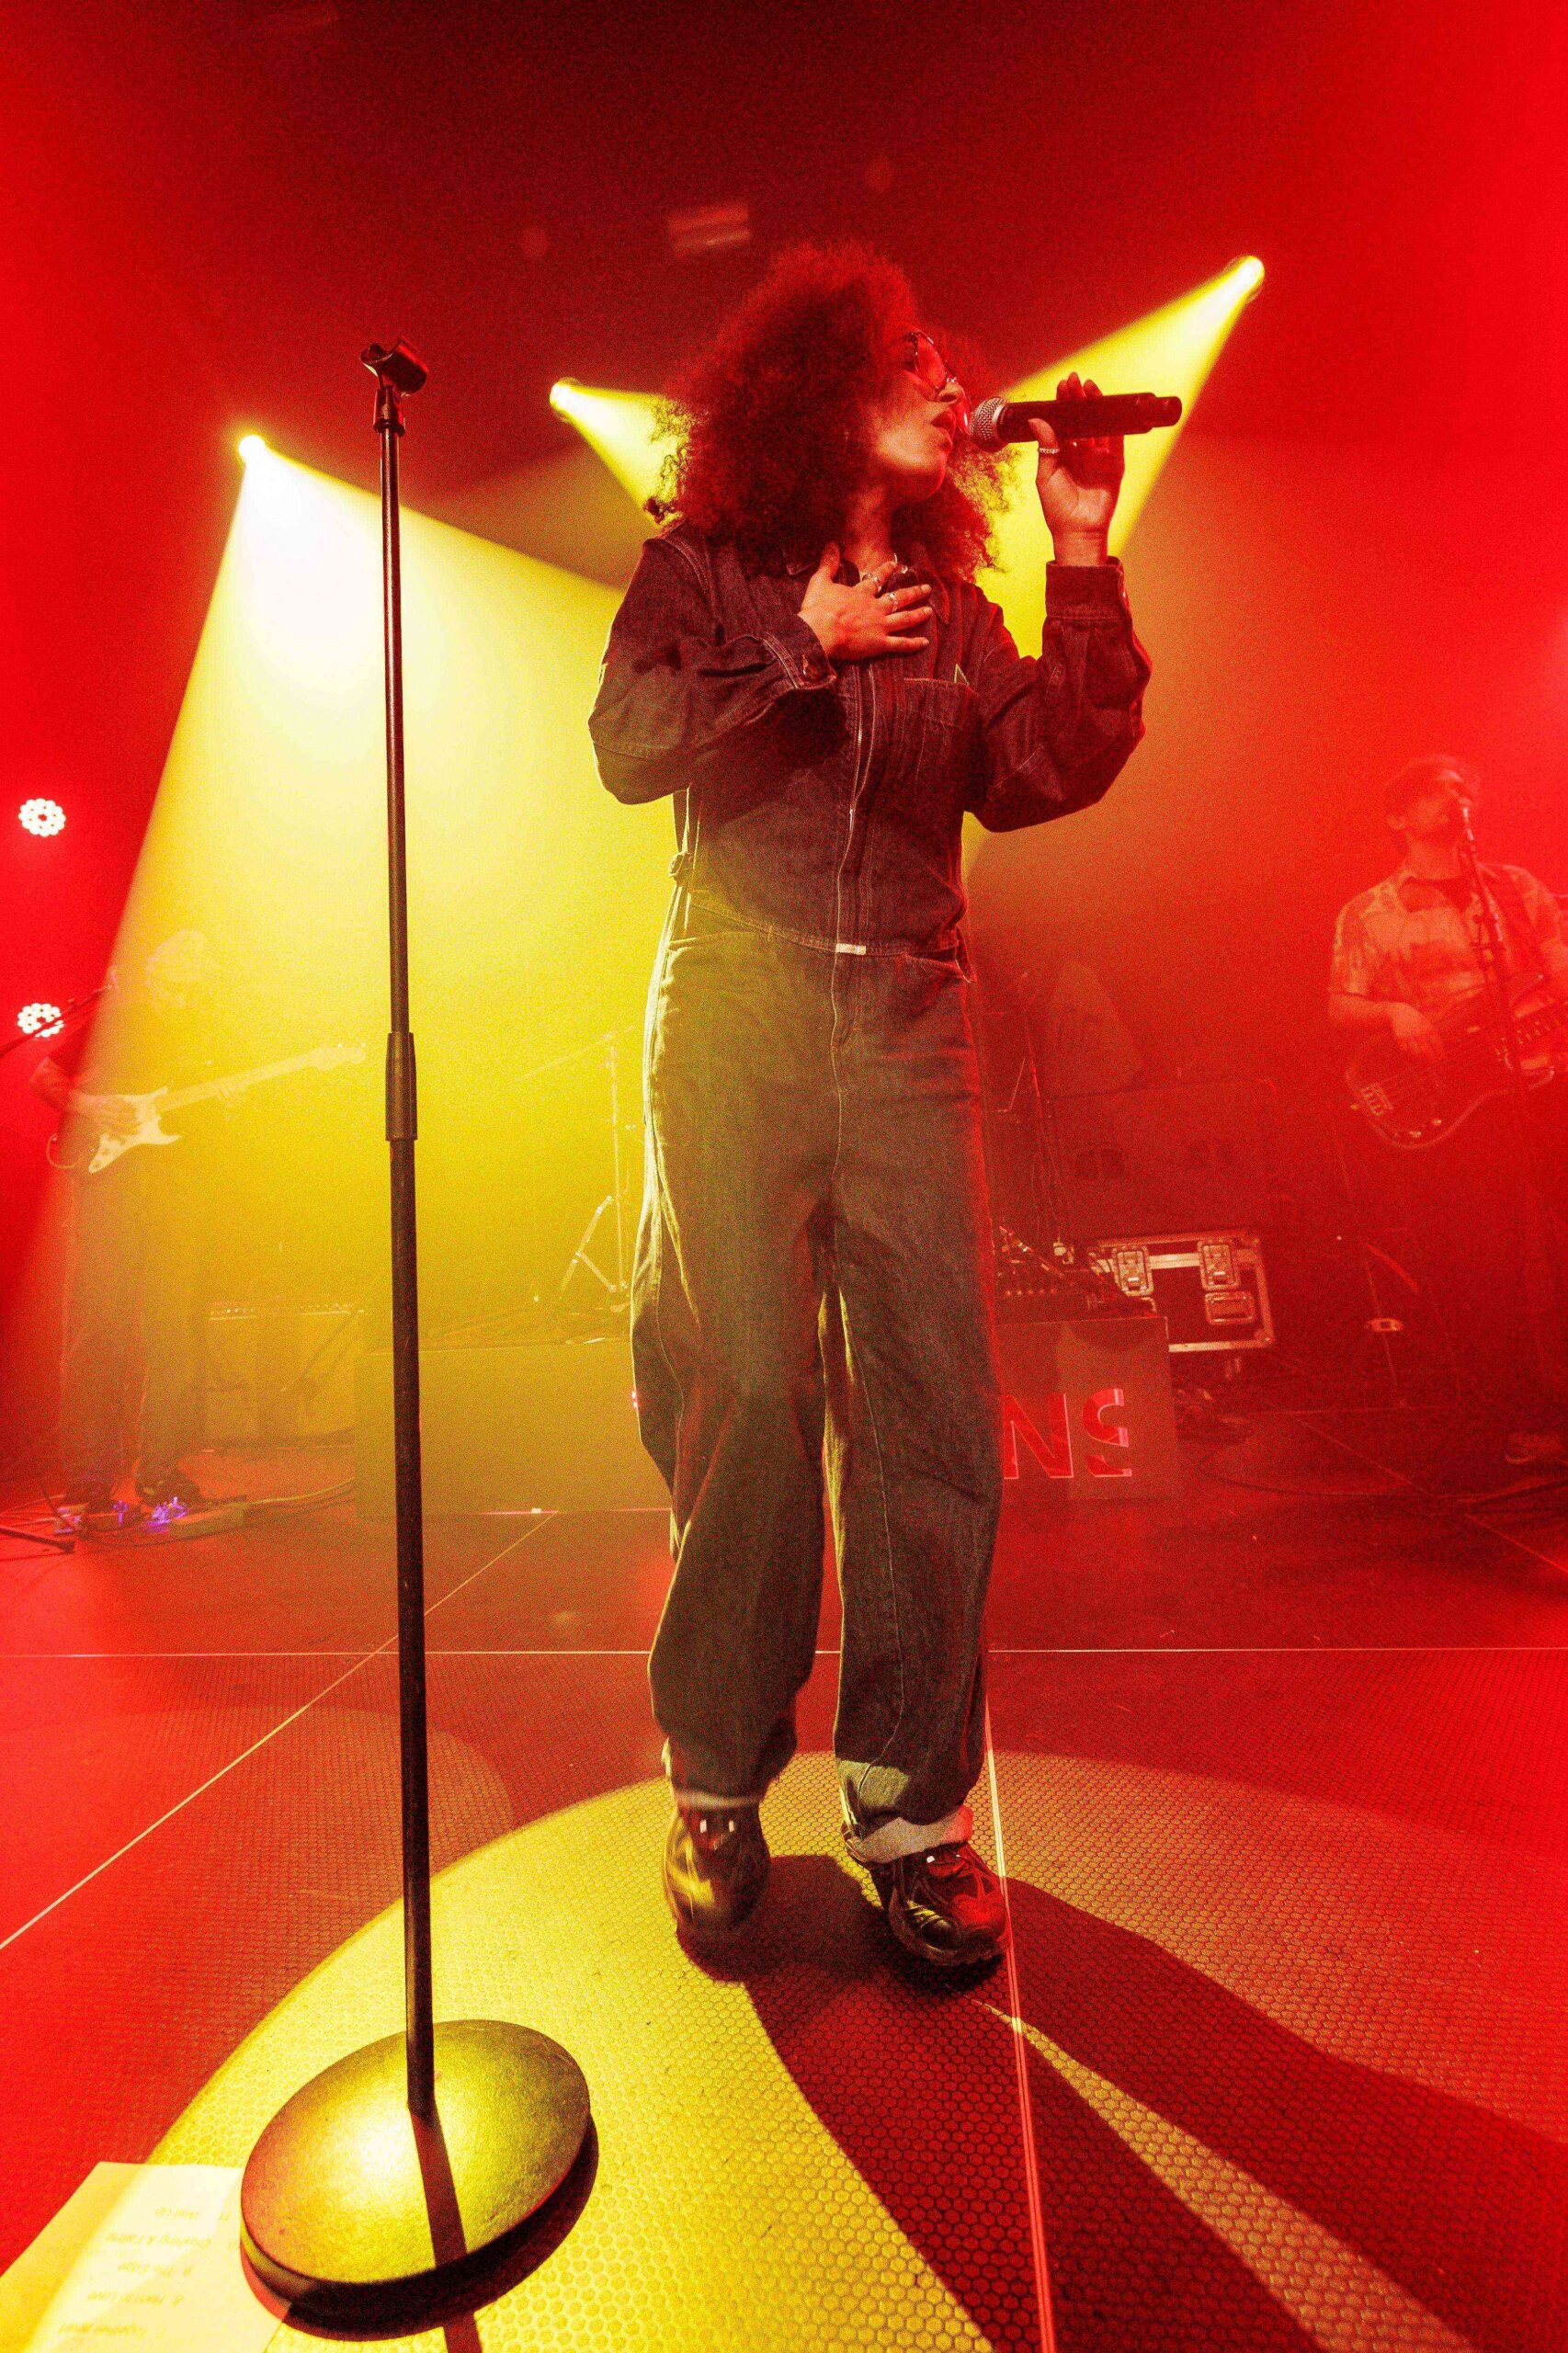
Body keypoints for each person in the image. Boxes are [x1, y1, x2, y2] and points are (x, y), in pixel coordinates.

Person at [590, 245, 1149, 1971]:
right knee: (749, 1387)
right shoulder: (702, 564)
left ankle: (910, 1811)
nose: (945, 382)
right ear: (815, 391)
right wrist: (795, 643)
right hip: (739, 1004)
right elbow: (627, 742)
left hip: (908, 1010)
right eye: (907, 358)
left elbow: (1049, 762)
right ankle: (713, 1781)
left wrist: (1079, 550)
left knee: (927, 1408)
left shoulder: (952, 608)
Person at [1329, 756, 1568, 1461]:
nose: (1455, 798)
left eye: (1462, 789)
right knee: (1486, 1265)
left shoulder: (1514, 888)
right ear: (1398, 818)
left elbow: (1555, 970)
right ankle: (1517, 1418)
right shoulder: (1370, 911)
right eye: (1436, 792)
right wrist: (1394, 1013)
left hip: (1544, 1085)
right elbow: (1339, 1005)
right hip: (1460, 1105)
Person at [31, 930, 228, 1529]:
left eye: (203, 965)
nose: (191, 977)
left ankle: (161, 1470)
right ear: (156, 969)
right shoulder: (117, 1019)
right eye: (180, 964)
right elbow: (44, 1075)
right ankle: (89, 1481)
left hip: (180, 1190)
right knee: (98, 1328)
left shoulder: (214, 1031)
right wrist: (93, 1106)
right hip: (112, 1187)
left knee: (176, 1332)